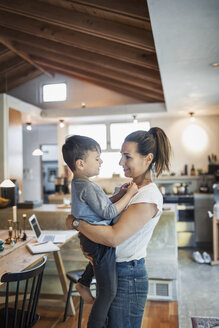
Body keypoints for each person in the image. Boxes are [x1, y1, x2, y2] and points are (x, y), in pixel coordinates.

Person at [66, 127, 171, 328]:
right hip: (112, 268)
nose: (121, 162)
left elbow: (113, 237)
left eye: (127, 156)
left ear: (147, 158)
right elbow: (104, 213)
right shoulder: (131, 189)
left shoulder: (148, 197)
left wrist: (76, 223)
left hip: (127, 276)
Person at [62, 135, 138, 328]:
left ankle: (83, 283)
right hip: (98, 240)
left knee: (97, 263)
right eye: (97, 158)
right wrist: (129, 195)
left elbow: (102, 205)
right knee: (108, 291)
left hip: (89, 238)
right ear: (80, 163)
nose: (101, 161)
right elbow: (108, 211)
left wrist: (119, 194)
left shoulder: (79, 183)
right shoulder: (87, 186)